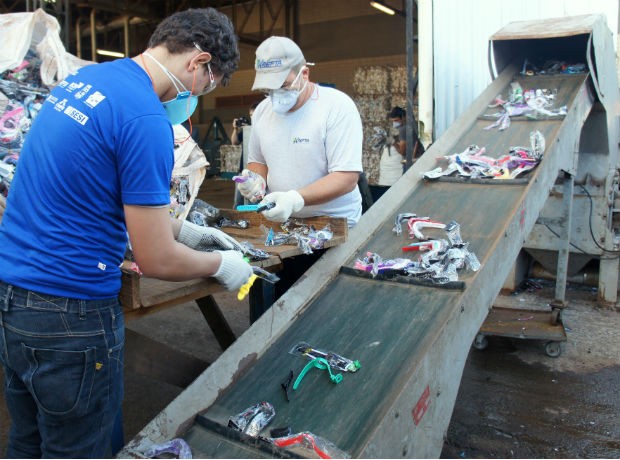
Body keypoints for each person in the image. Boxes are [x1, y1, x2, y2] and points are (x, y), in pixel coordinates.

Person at [0, 8, 252, 458]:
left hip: (14, 299)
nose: (200, 94)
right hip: (69, 314)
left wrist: (189, 232)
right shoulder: (145, 120)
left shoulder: (88, 82)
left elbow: (101, 192)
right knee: (79, 448)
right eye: (208, 84)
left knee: (28, 440)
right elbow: (157, 260)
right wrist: (222, 265)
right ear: (198, 63)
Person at [235, 36, 363, 320]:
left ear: (304, 73)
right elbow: (259, 161)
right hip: (285, 229)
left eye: (283, 85)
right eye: (269, 89)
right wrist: (255, 182)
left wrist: (295, 198)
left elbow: (346, 177)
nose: (276, 95)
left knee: (327, 313)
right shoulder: (264, 113)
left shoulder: (336, 107)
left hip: (334, 230)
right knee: (286, 309)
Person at [368, 126, 403, 202]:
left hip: (394, 173)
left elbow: (402, 151)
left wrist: (393, 143)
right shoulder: (386, 145)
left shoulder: (400, 142)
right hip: (386, 174)